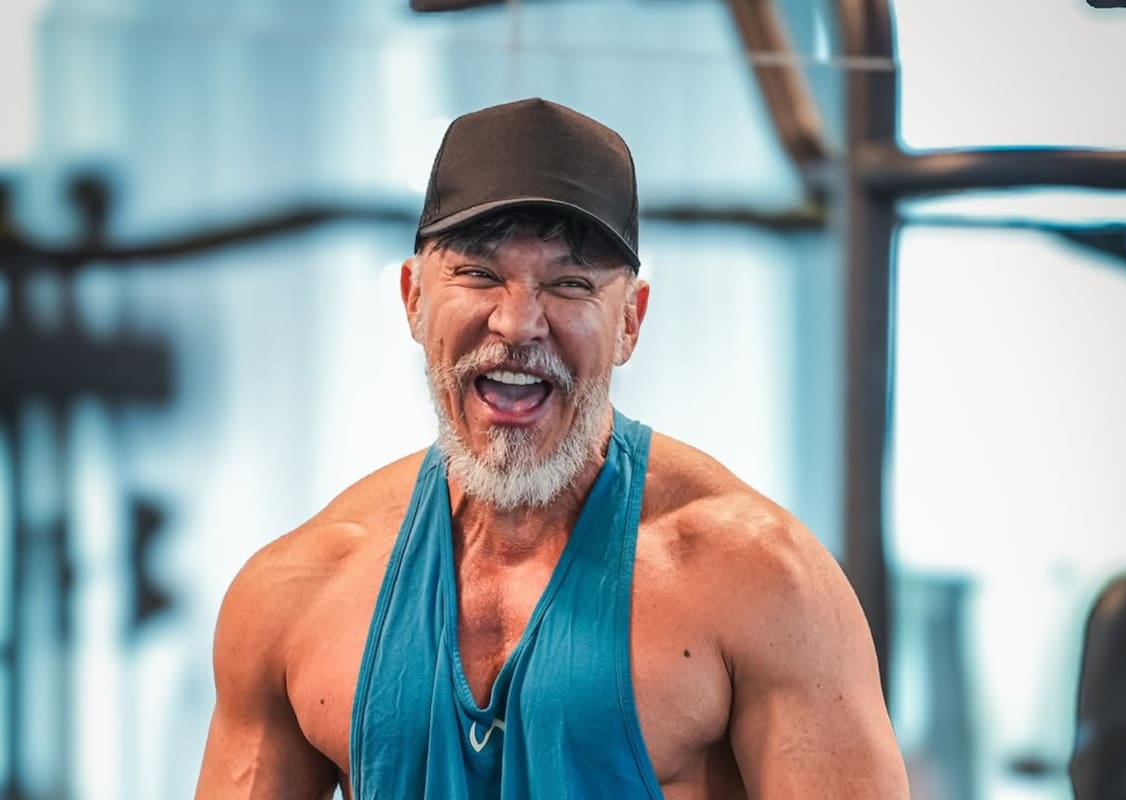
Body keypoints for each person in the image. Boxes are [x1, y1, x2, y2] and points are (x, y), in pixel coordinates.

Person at [195, 97, 909, 799]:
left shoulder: (766, 585)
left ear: (630, 321)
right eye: (479, 274)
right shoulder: (297, 591)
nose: (518, 324)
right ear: (413, 298)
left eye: (569, 284)